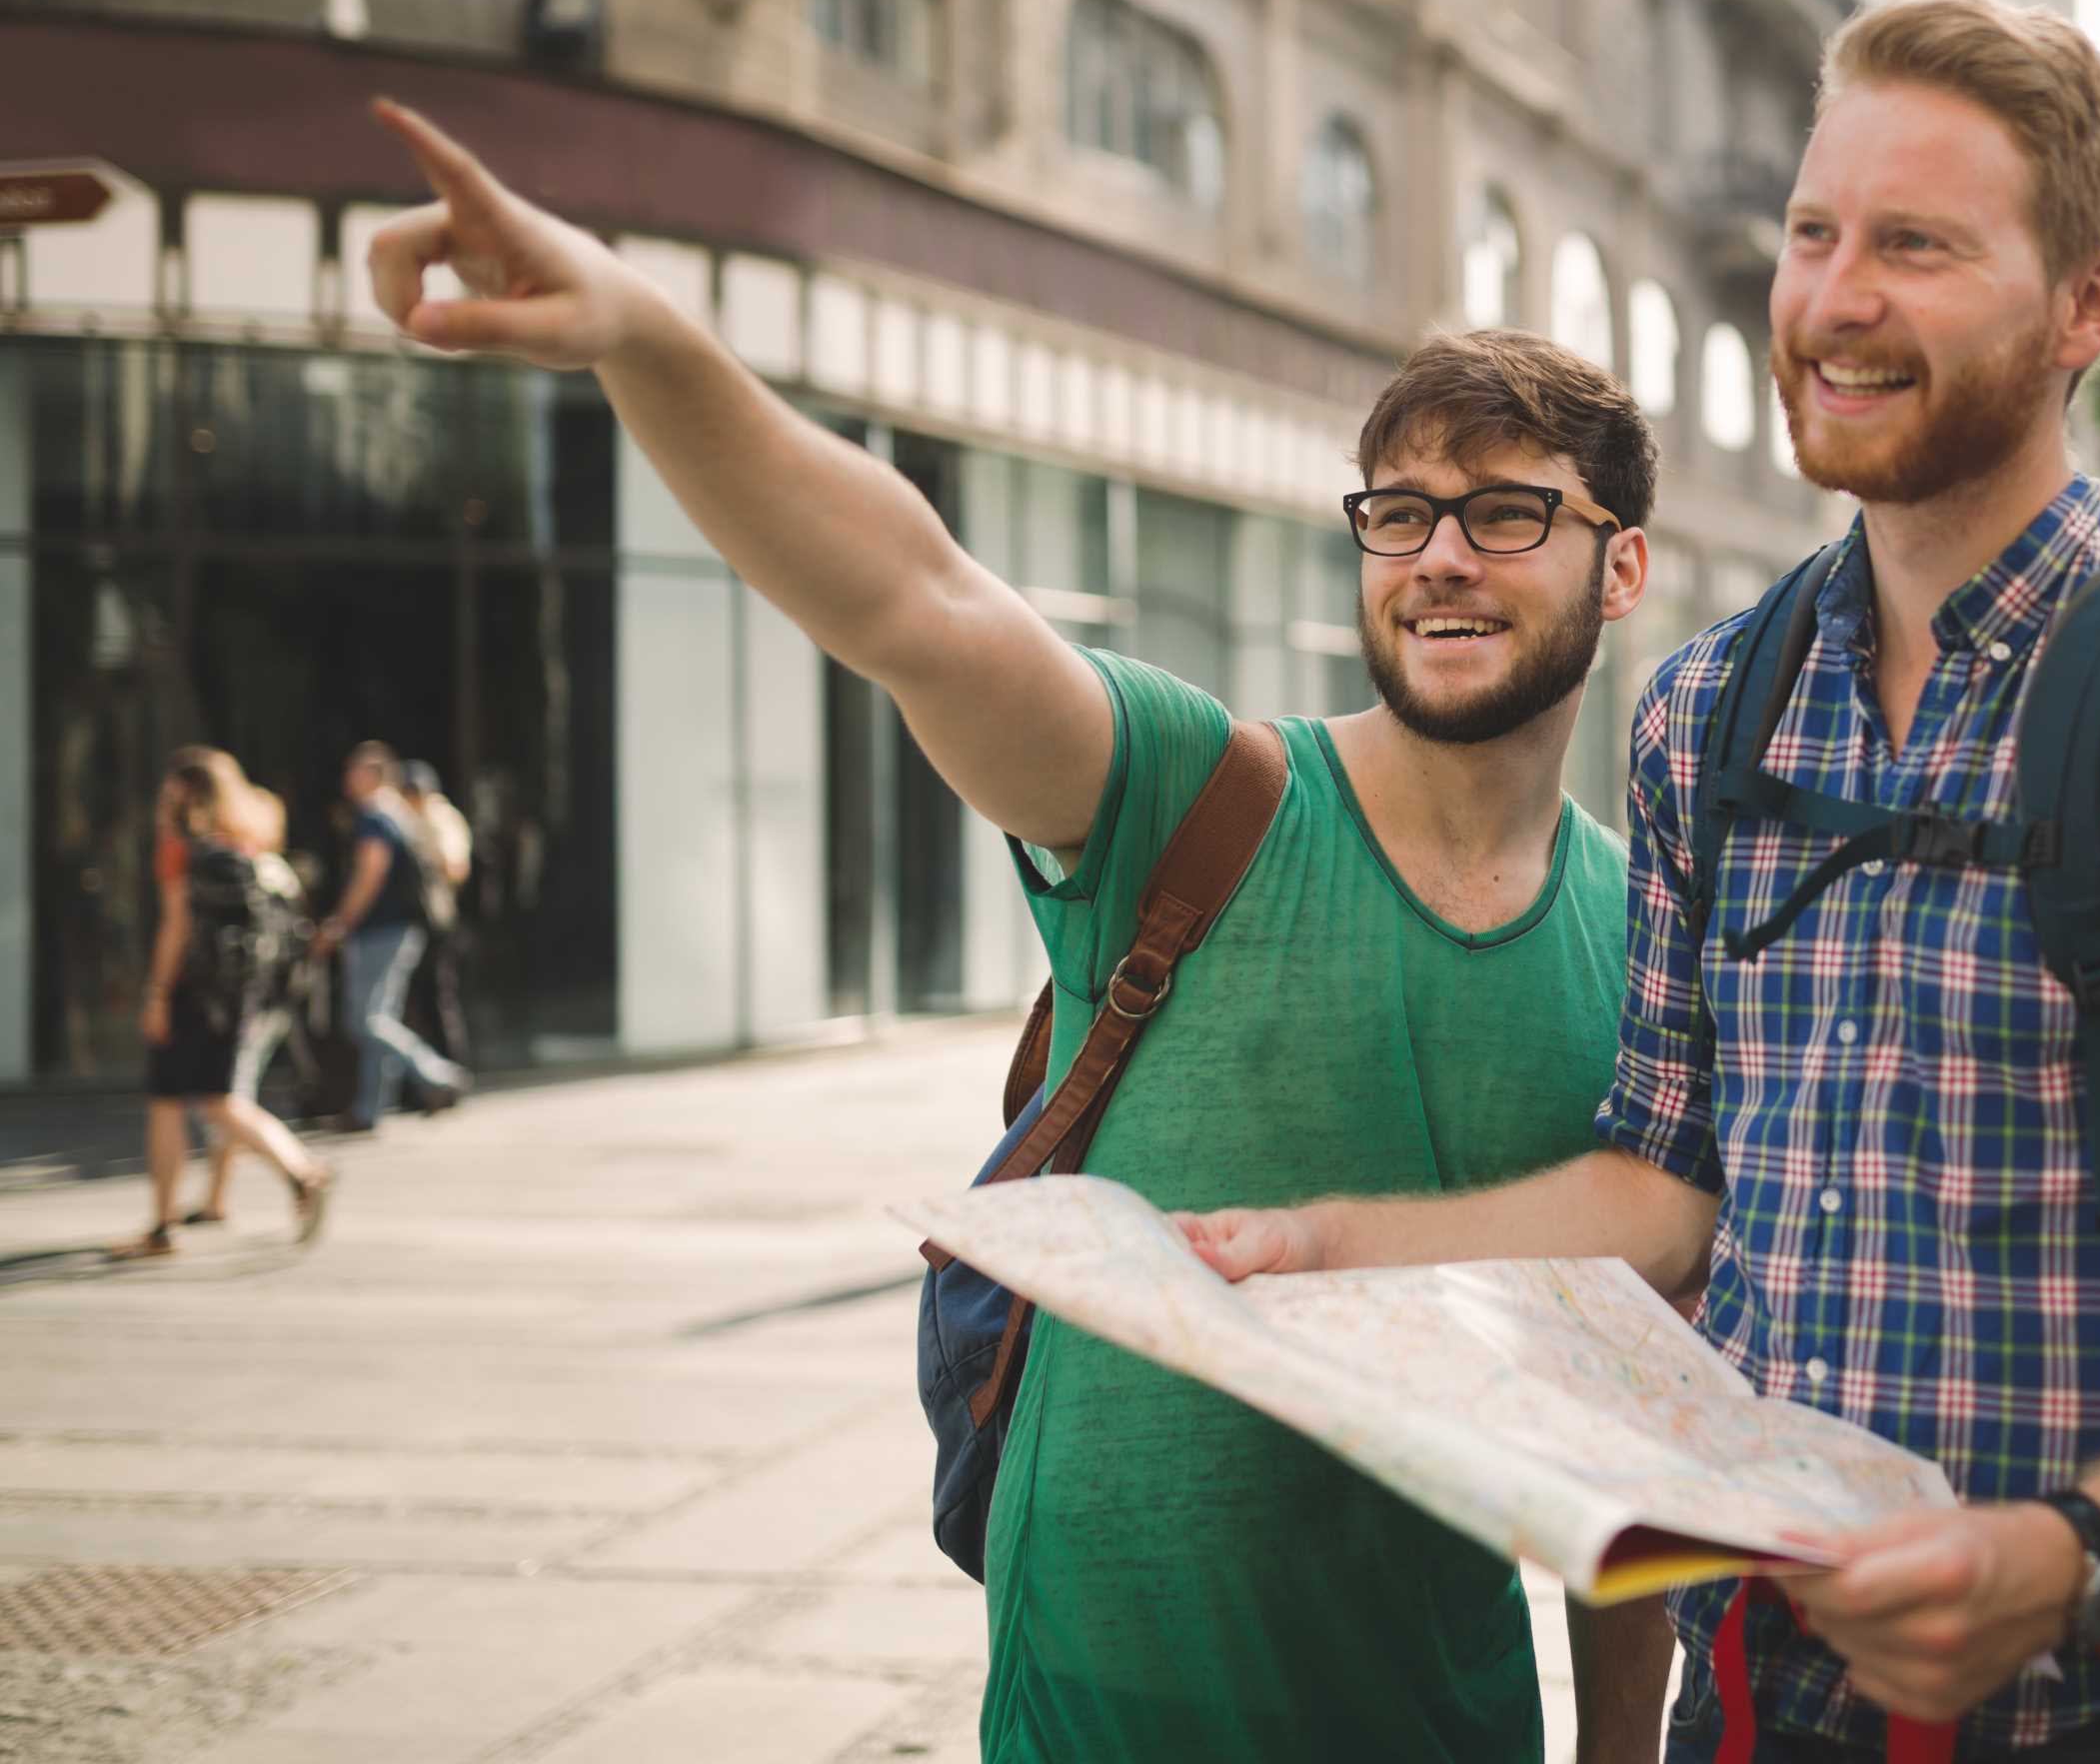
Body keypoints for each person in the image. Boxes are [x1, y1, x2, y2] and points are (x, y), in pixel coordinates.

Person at [357, 98, 1674, 1764]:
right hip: (1093, 1718)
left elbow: (1626, 1409)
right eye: (1397, 512)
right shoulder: (1212, 800)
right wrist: (643, 336)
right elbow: (917, 597)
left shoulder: (1647, 941)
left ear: (1619, 570)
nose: (1436, 559)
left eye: (1504, 513)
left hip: (1438, 1724)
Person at [1186, 0, 2100, 1761]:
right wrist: (1323, 1245)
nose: (1835, 302)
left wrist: (2067, 1556)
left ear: (2091, 302)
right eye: (1815, 237)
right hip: (1756, 1711)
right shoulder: (1708, 714)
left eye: (1914, 245)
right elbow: (1666, 1191)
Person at [116, 752, 334, 1257]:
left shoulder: (181, 846)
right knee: (222, 1097)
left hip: (192, 989)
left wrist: (157, 994)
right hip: (238, 991)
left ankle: (163, 1226)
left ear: (182, 793)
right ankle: (294, 1174)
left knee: (171, 1100)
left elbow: (176, 925)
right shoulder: (247, 839)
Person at [311, 742, 471, 1130]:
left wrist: (339, 923)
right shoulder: (399, 814)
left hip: (380, 930)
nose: (347, 778)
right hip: (401, 928)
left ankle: (437, 1073)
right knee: (379, 1015)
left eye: (355, 770)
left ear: (374, 775)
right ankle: (369, 1109)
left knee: (366, 1019)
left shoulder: (375, 818)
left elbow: (370, 876)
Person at [398, 759, 475, 1069]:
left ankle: (450, 1069)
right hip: (422, 918)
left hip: (437, 921)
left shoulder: (438, 818)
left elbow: (455, 867)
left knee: (437, 997)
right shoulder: (412, 819)